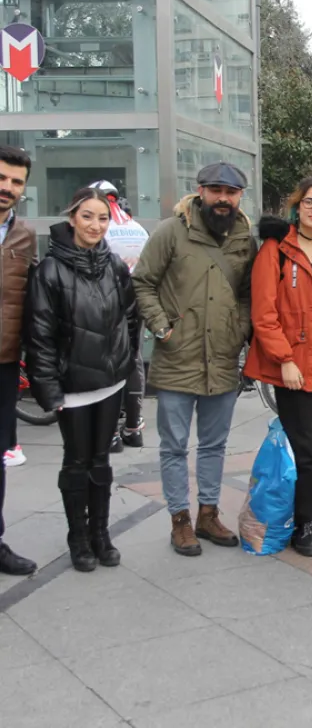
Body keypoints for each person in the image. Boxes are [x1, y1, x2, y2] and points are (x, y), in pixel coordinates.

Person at [133, 163, 256, 557]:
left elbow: (247, 294)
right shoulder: (172, 232)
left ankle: (207, 513)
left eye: (231, 192)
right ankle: (180, 520)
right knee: (173, 447)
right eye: (216, 190)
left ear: (240, 196)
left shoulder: (243, 240)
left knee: (214, 445)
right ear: (200, 191)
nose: (223, 198)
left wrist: (239, 330)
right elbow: (143, 281)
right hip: (177, 357)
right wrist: (161, 326)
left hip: (221, 357)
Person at [26, 188, 138, 572]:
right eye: (87, 216)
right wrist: (48, 389)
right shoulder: (48, 271)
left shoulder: (115, 265)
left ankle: (100, 533)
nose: (95, 225)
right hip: (71, 386)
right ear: (72, 217)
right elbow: (39, 336)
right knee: (76, 461)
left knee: (101, 459)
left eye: (103, 218)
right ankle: (78, 537)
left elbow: (131, 315)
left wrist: (126, 361)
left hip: (110, 382)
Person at [244, 178, 312, 557]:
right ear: (297, 206)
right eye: (309, 202)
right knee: (303, 447)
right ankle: (301, 523)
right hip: (295, 361)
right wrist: (285, 359)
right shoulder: (276, 249)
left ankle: (307, 514)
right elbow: (264, 313)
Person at [89, 180, 150, 452]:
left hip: (107, 301)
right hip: (137, 300)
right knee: (134, 360)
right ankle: (134, 427)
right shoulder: (136, 228)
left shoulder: (101, 227)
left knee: (108, 363)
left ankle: (111, 433)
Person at [0, 145, 38, 576]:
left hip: (5, 363)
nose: (7, 188)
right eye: (2, 178)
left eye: (15, 181)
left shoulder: (23, 236)